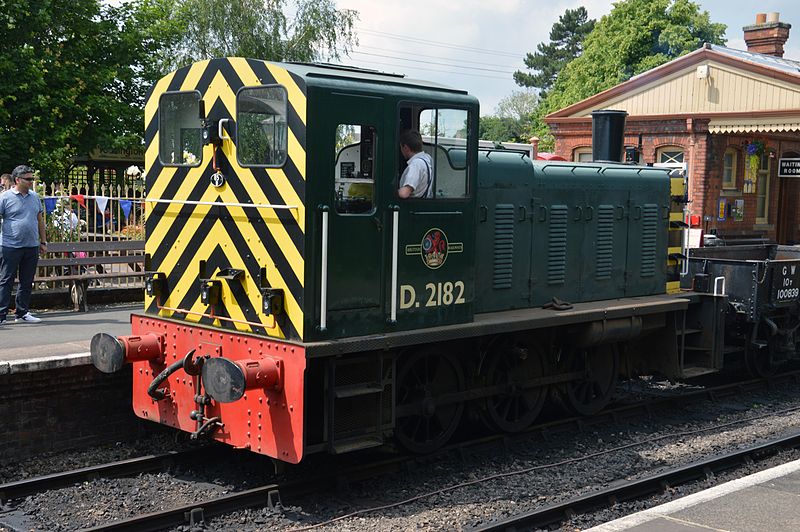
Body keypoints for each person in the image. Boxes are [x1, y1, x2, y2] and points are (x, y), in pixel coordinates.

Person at [0, 165, 46, 324]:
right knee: (6, 280)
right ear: (18, 180)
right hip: (10, 245)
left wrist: (43, 241)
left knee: (27, 281)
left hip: (31, 245)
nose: (32, 181)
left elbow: (40, 220)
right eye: (28, 179)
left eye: (32, 178)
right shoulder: (5, 197)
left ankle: (22, 313)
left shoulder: (34, 197)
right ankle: (1, 315)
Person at [397, 129, 433, 199]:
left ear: (406, 148)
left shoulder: (416, 164)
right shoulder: (427, 158)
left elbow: (404, 193)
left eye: (401, 147)